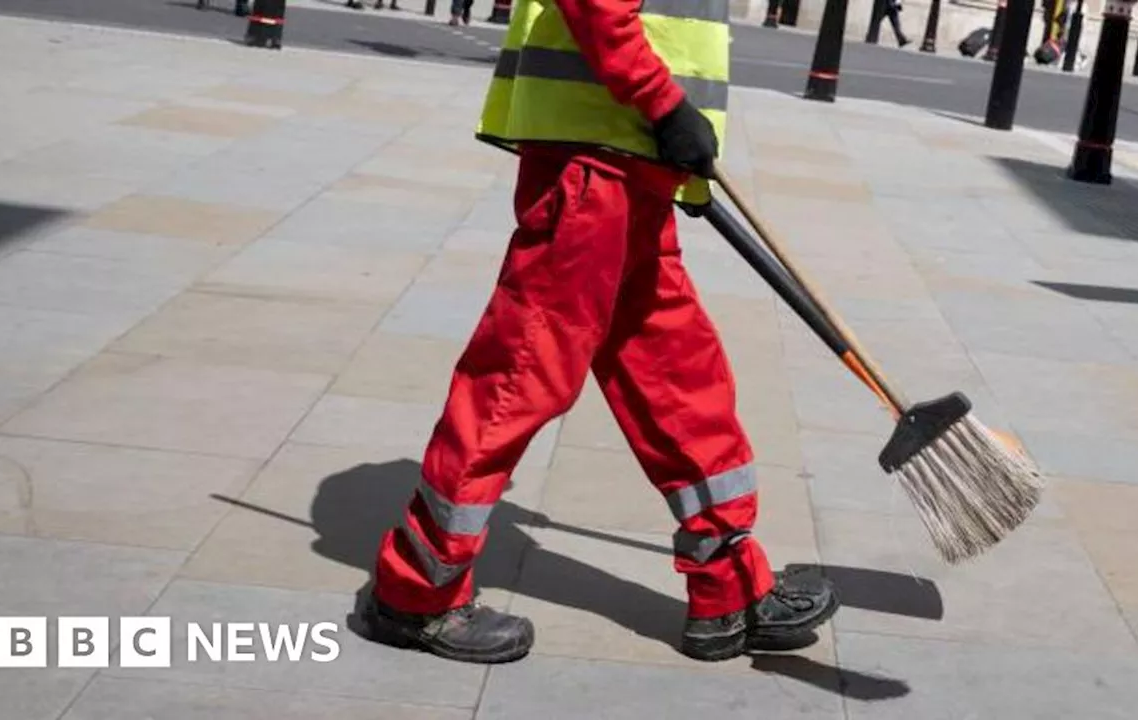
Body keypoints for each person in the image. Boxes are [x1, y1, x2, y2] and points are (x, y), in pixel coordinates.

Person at [360, 0, 840, 665]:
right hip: (596, 160)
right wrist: (664, 105)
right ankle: (414, 591)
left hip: (635, 160)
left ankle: (728, 582)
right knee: (521, 376)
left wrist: (668, 127)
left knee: (678, 375)